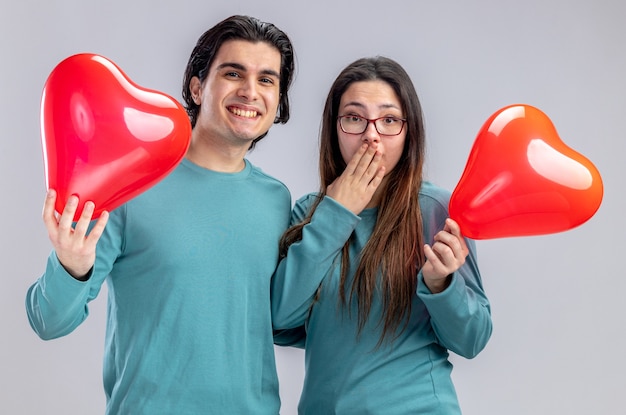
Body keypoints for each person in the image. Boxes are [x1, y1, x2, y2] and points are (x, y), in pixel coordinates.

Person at [26, 15, 295, 415]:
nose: (250, 91)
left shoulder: (276, 200)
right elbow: (48, 322)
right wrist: (70, 267)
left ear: (277, 104)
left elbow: (281, 322)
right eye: (233, 73)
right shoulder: (134, 184)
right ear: (197, 87)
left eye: (267, 80)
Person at [271, 56, 493, 414]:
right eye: (355, 118)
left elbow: (472, 339)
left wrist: (441, 285)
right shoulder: (308, 212)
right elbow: (280, 319)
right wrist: (337, 213)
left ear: (409, 131)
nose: (371, 134)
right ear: (334, 128)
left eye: (389, 120)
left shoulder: (436, 208)